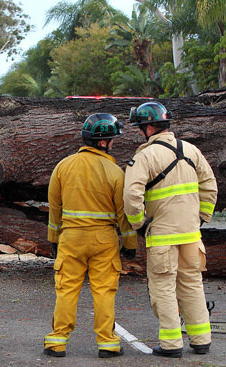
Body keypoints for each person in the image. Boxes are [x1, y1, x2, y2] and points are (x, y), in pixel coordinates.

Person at [124, 101, 217, 358]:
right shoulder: (191, 150)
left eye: (141, 127)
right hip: (191, 235)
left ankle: (171, 344)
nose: (141, 132)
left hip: (163, 236)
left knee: (163, 288)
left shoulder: (144, 157)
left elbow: (132, 195)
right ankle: (201, 340)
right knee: (192, 285)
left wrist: (137, 223)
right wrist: (201, 217)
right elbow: (210, 185)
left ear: (150, 127)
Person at [43, 113, 138, 358]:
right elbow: (123, 213)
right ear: (104, 142)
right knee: (104, 290)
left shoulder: (63, 166)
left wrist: (53, 240)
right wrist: (129, 243)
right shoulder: (115, 172)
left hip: (71, 238)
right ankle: (108, 343)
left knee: (66, 289)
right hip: (104, 239)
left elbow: (54, 209)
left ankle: (57, 341)